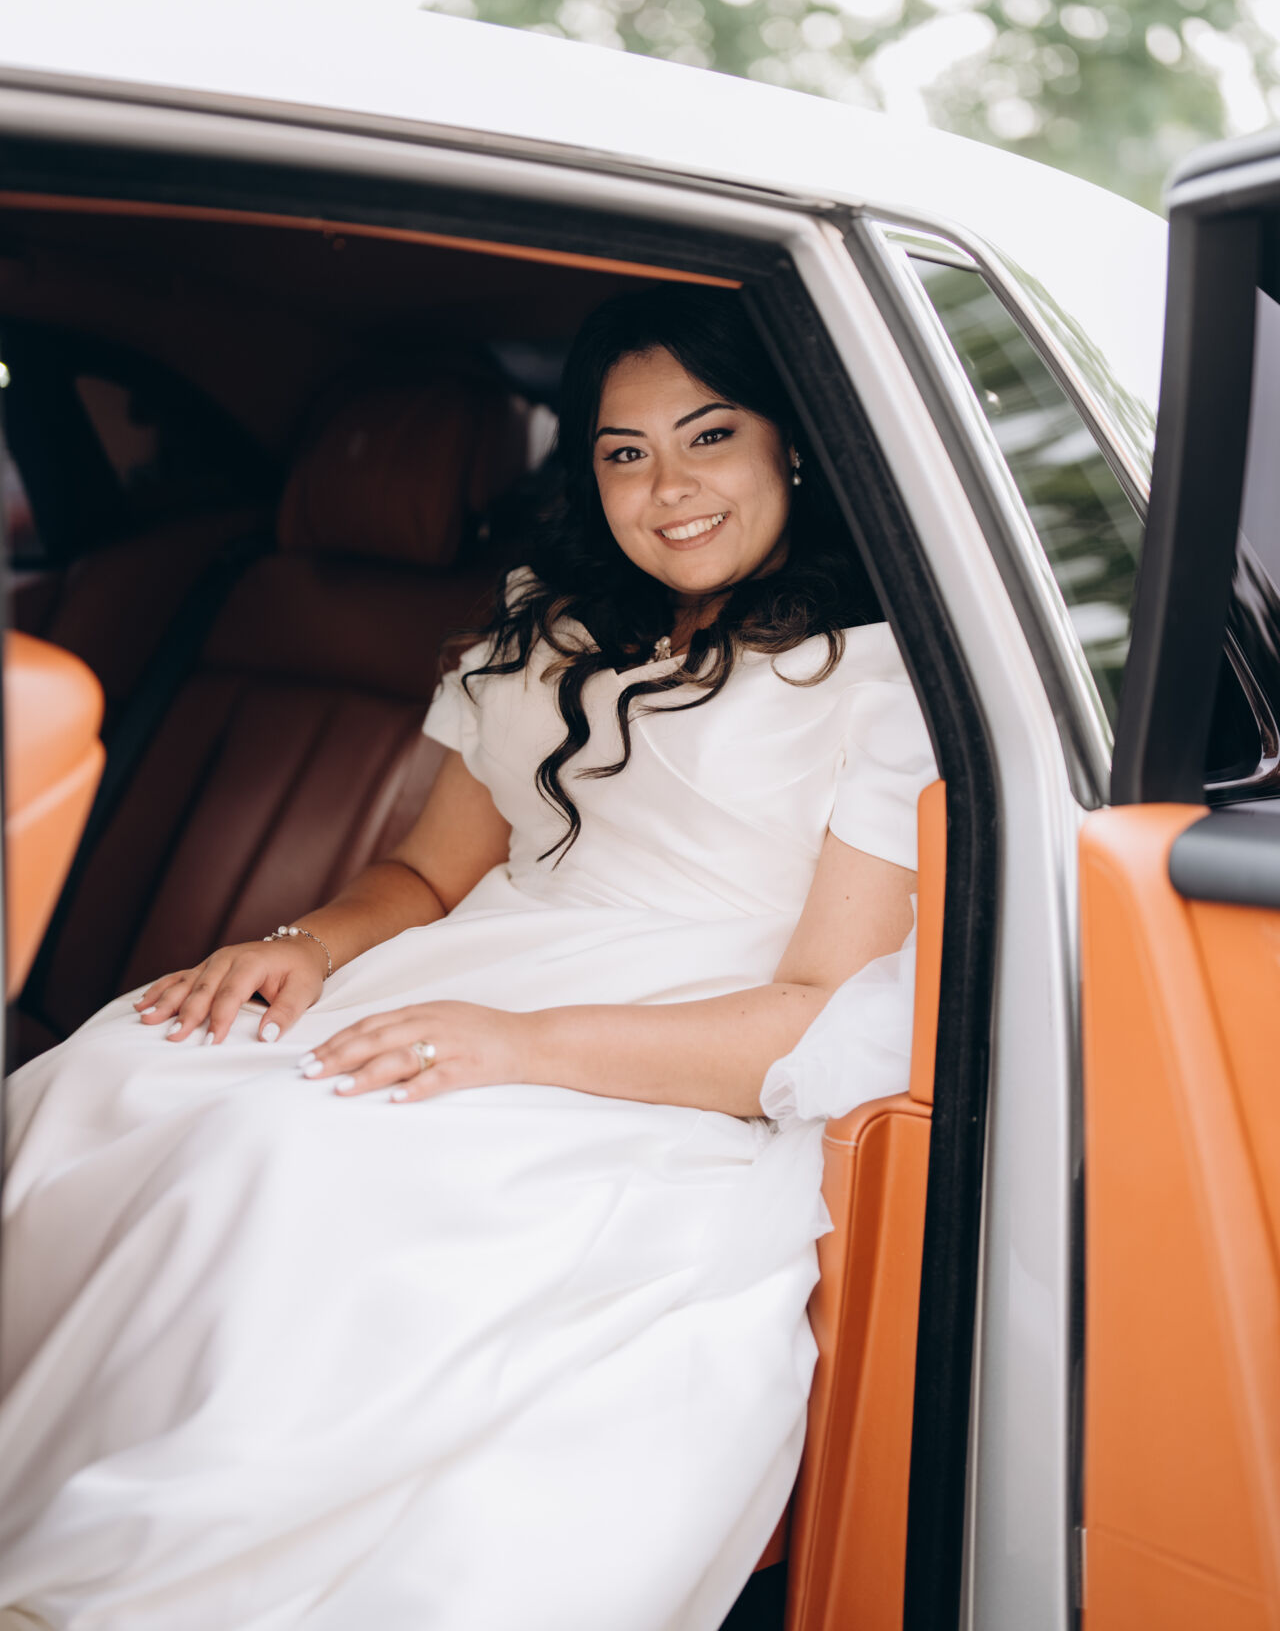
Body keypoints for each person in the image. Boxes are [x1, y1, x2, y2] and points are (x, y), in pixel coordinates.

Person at [0, 288, 936, 1631]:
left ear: (790, 444)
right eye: (624, 452)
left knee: (286, 1153)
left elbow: (810, 1012)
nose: (668, 488)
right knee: (116, 1074)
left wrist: (516, 1045)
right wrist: (297, 947)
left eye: (710, 436)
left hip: (673, 1051)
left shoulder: (887, 681)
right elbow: (427, 877)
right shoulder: (551, 629)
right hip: (475, 969)